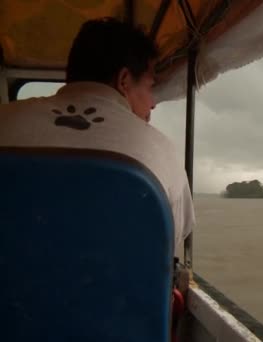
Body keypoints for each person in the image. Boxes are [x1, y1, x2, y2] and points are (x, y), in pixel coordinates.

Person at [0, 18, 194, 256]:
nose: (152, 103)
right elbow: (169, 244)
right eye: (150, 86)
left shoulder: (5, 119)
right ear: (124, 80)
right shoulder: (162, 150)